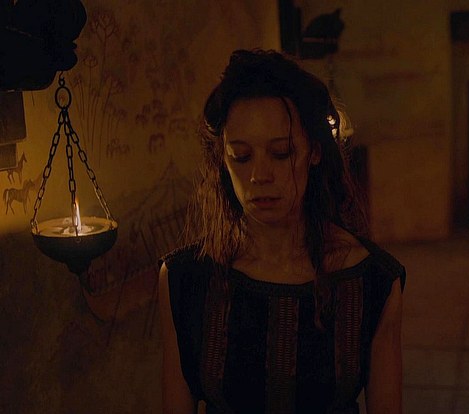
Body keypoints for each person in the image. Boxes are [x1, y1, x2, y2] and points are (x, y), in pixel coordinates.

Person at [158, 50, 405, 414]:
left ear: (314, 152)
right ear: (223, 160)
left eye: (281, 152)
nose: (260, 176)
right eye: (241, 156)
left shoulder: (372, 280)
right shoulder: (185, 279)